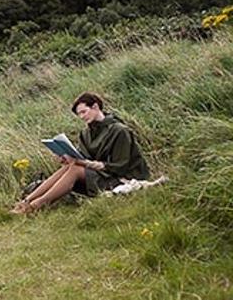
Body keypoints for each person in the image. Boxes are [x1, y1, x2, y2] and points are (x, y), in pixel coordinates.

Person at [10, 92, 150, 215]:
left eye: (84, 112)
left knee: (76, 169)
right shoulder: (86, 133)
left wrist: (87, 163)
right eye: (79, 114)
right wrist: (67, 157)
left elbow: (121, 166)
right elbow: (83, 157)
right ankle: (26, 201)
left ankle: (35, 206)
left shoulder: (119, 130)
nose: (82, 117)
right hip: (98, 175)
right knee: (69, 167)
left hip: (120, 176)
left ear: (95, 107)